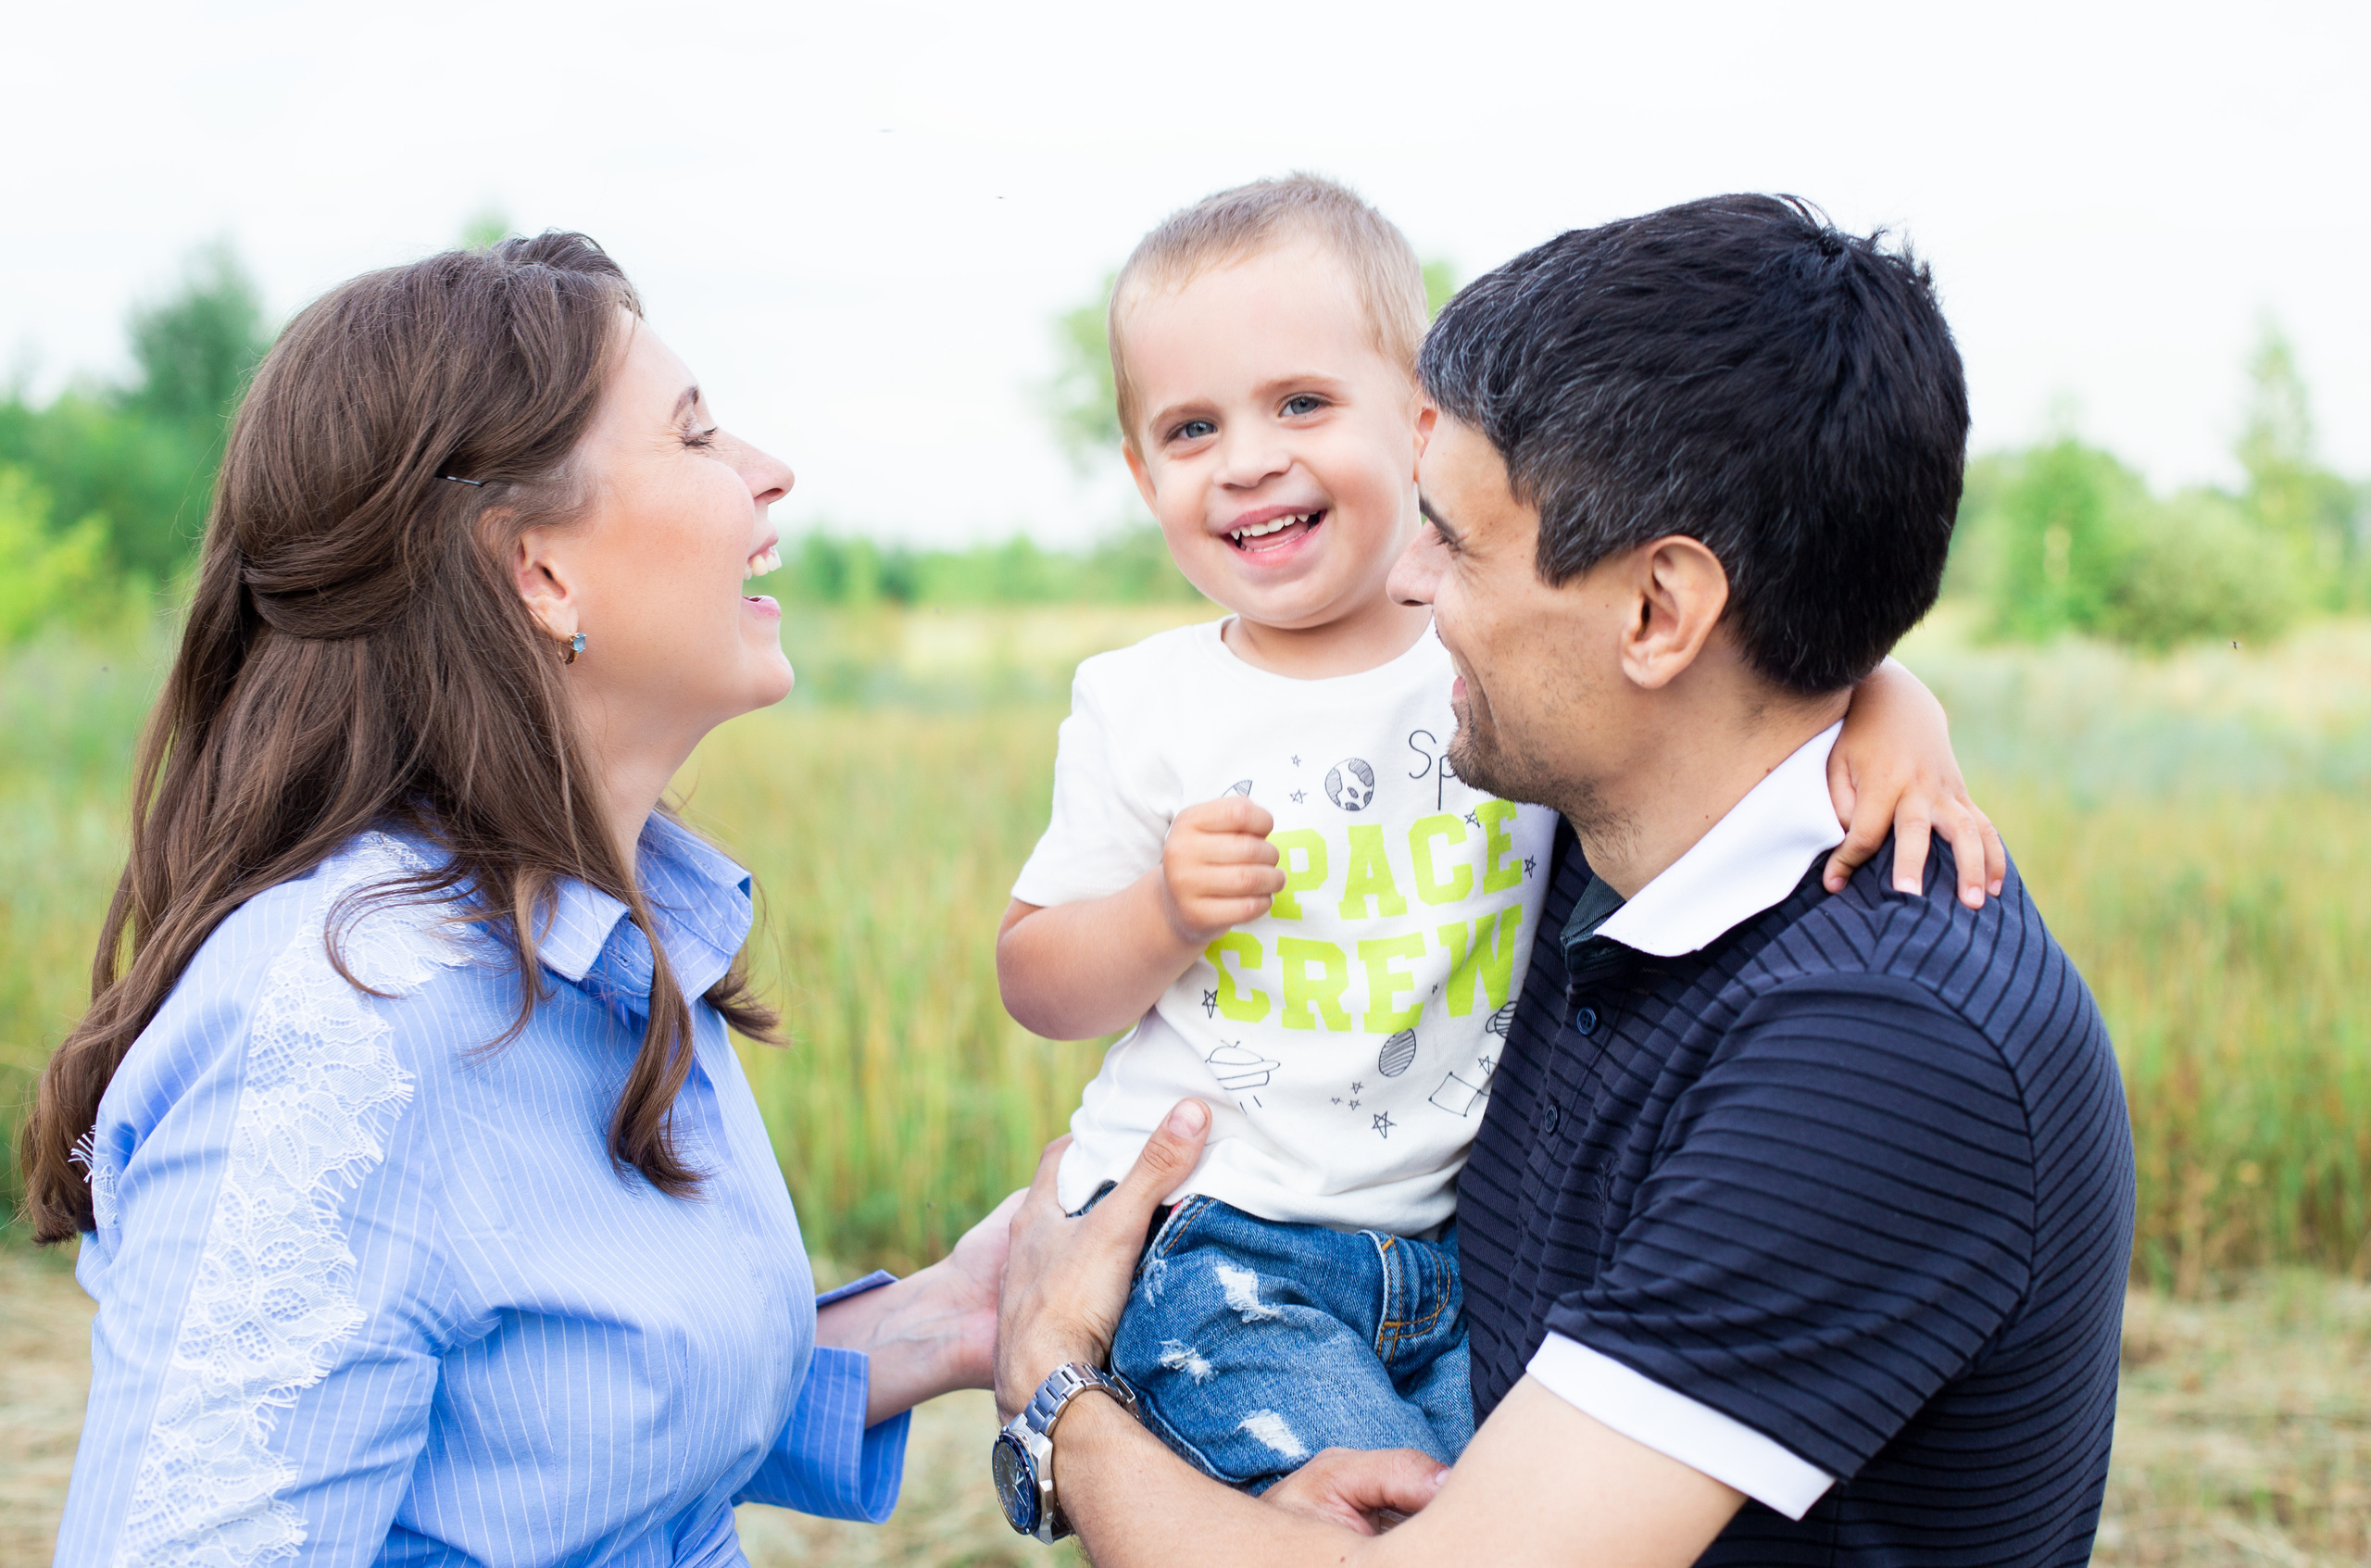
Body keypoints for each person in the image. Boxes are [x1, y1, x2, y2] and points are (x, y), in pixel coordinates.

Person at [992, 195, 2135, 1565]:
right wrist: (1879, 690)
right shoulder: (1601, 852)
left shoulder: (1880, 1051)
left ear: (1658, 615)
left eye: (1456, 542)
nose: (1407, 583)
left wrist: (1053, 1391)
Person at [22, 233, 1010, 1565]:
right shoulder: (346, 1021)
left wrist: (954, 1317)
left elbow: (573, 1439)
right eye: (698, 436)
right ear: (540, 572)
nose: (769, 470)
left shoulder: (594, 941)